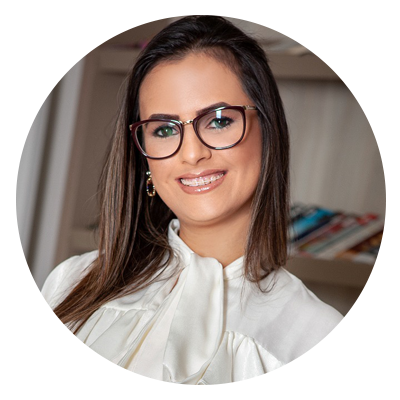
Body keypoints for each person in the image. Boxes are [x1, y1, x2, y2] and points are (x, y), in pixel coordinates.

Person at [14, 14, 357, 386]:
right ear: (144, 157)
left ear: (268, 129)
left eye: (219, 120)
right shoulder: (72, 280)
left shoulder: (321, 339)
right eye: (164, 129)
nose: (191, 154)